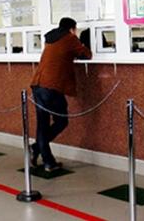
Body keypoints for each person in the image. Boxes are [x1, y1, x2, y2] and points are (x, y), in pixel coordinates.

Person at [30, 17, 92, 172]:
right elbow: (87, 54)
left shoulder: (51, 39)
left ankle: (44, 156)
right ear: (72, 29)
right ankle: (41, 152)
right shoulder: (70, 38)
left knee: (42, 124)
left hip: (38, 84)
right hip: (52, 86)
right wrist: (84, 43)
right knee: (61, 121)